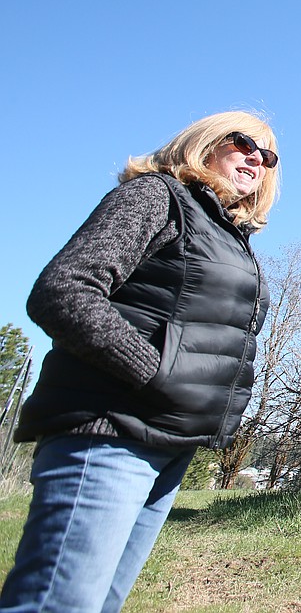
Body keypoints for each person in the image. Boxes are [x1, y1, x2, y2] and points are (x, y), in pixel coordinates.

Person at [0, 112, 280, 613]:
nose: (257, 157)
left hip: (170, 445)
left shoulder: (227, 235)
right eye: (244, 142)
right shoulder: (156, 196)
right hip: (109, 434)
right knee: (58, 605)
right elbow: (63, 291)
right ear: (206, 142)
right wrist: (152, 373)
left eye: (269, 155)